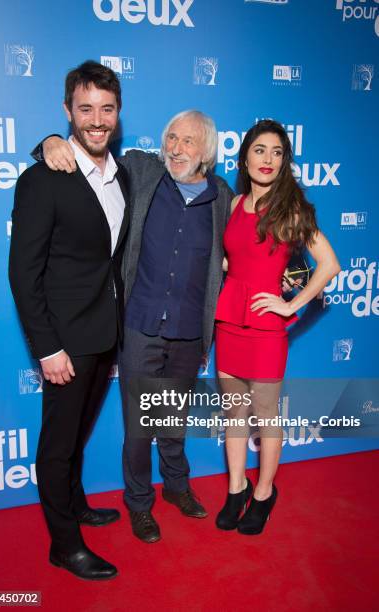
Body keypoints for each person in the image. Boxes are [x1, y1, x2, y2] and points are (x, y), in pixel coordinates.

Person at [33, 110, 235, 543]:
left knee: (173, 420)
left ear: (208, 151)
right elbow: (90, 154)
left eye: (188, 142)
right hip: (140, 324)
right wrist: (51, 141)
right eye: (172, 138)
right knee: (140, 426)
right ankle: (139, 503)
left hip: (188, 331)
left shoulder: (221, 196)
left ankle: (178, 487)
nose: (177, 149)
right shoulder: (143, 171)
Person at [9, 61, 130, 580]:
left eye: (106, 109)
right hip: (65, 341)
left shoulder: (123, 173)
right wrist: (47, 347)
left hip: (106, 334)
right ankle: (64, 544)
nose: (96, 120)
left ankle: (76, 504)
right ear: (67, 112)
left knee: (78, 434)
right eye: (85, 109)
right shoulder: (42, 179)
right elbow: (22, 274)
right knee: (57, 446)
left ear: (118, 113)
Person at [214, 119, 340, 535]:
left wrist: (291, 305)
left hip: (266, 327)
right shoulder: (234, 205)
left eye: (277, 152)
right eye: (260, 150)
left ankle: (264, 493)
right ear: (245, 155)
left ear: (284, 161)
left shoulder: (291, 209)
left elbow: (330, 264)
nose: (267, 159)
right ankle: (236, 487)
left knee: (266, 417)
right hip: (229, 319)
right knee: (235, 414)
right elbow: (237, 258)